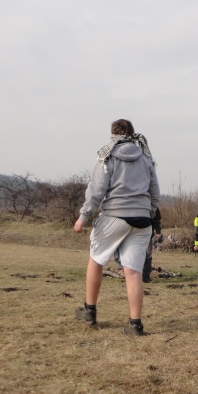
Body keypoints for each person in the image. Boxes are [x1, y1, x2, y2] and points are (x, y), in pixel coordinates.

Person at [73, 119, 160, 336]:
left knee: (97, 259)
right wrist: (147, 212)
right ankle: (135, 324)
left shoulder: (107, 156)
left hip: (114, 216)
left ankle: (89, 310)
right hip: (142, 220)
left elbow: (96, 190)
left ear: (113, 135)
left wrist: (83, 217)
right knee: (133, 272)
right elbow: (155, 192)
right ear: (132, 134)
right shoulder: (146, 158)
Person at [142, 207, 162, 283]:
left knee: (147, 256)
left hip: (147, 234)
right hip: (134, 234)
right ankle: (135, 276)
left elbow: (156, 219)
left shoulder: (152, 205)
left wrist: (158, 231)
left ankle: (146, 277)